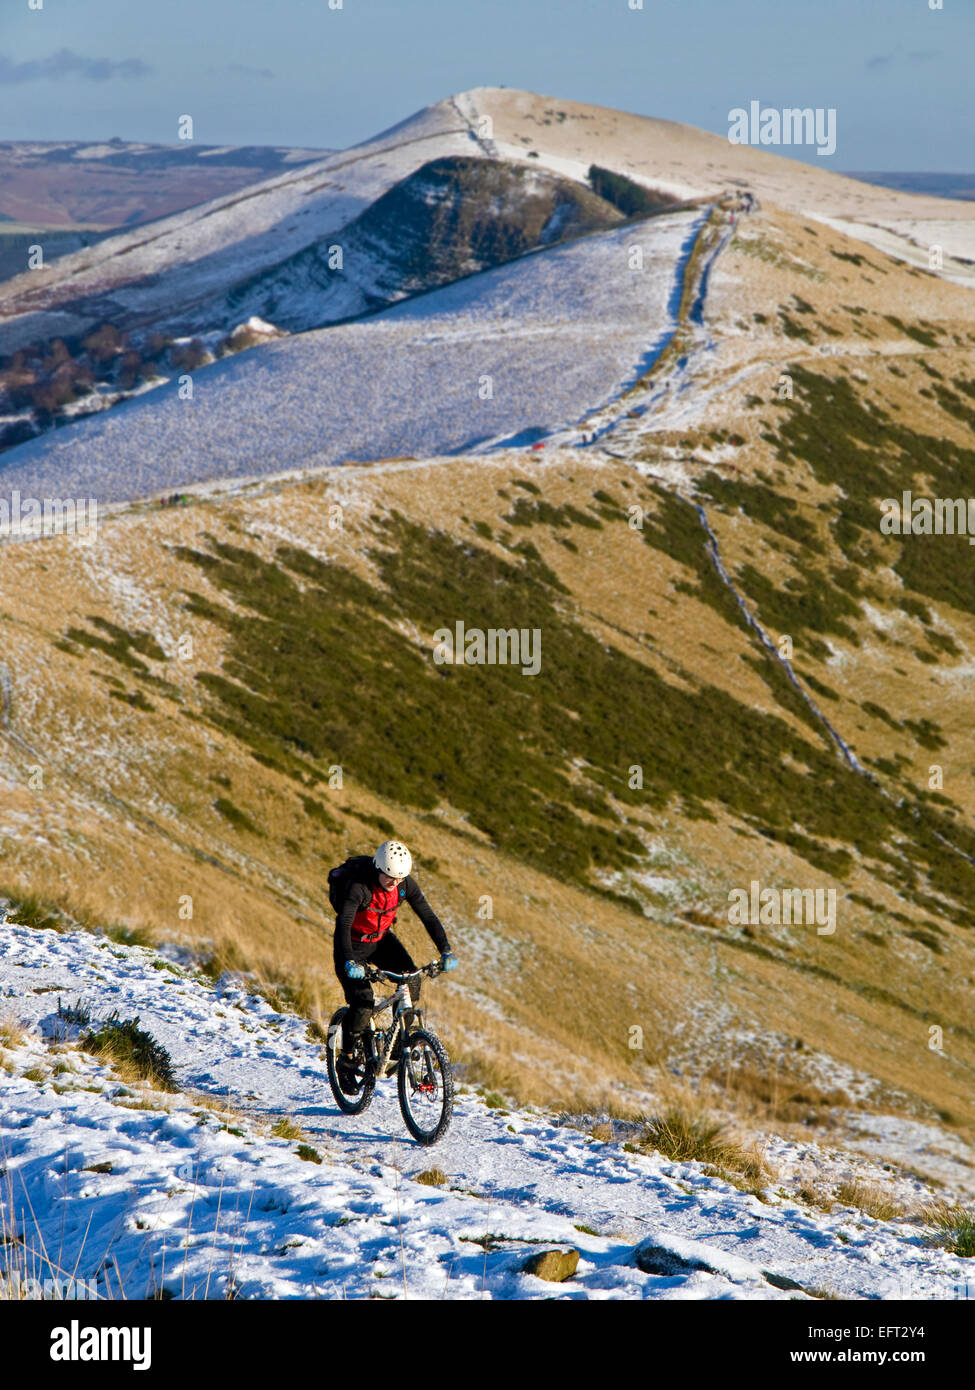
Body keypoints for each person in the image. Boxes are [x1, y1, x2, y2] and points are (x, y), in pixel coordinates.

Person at [332, 840, 456, 1089]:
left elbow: (428, 916)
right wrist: (350, 961)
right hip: (352, 944)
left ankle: (402, 1043)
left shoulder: (403, 884)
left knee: (411, 978)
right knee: (363, 1002)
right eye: (390, 877)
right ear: (378, 867)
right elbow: (343, 925)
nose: (395, 883)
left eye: (400, 878)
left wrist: (446, 951)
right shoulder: (359, 887)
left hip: (382, 940)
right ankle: (345, 1062)